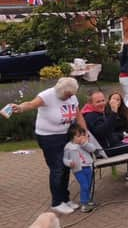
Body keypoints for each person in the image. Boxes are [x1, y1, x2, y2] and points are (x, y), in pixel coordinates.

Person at [9, 78, 87, 215]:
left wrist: (84, 133)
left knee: (66, 166)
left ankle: (65, 199)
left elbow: (78, 115)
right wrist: (20, 107)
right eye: (67, 95)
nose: (70, 97)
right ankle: (57, 202)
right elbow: (31, 104)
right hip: (48, 137)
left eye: (71, 95)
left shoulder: (72, 96)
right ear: (61, 91)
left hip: (65, 135)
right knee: (57, 168)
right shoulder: (47, 95)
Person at [83, 90, 128, 193]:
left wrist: (124, 135)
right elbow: (102, 132)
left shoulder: (98, 113)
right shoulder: (90, 116)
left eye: (103, 100)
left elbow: (110, 132)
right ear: (91, 104)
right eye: (98, 102)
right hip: (107, 150)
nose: (102, 103)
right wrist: (113, 113)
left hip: (113, 144)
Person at [62, 124, 97, 213]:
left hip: (88, 167)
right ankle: (84, 204)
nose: (81, 137)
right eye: (78, 136)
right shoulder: (68, 147)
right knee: (84, 185)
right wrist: (69, 163)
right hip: (78, 169)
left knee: (89, 185)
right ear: (72, 137)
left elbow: (93, 149)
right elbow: (65, 159)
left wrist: (85, 144)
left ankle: (88, 200)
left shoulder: (84, 144)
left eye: (82, 135)